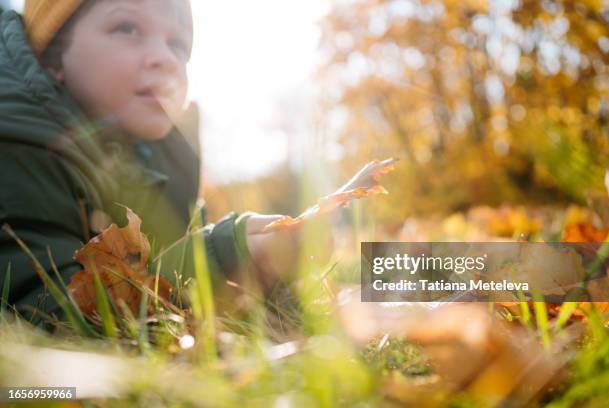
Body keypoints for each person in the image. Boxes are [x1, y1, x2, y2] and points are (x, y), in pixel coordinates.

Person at [0, 0, 386, 323]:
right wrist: (222, 256)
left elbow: (172, 255)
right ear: (52, 55)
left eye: (178, 45)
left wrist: (256, 258)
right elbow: (49, 312)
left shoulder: (156, 158)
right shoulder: (18, 144)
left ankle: (437, 277)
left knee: (402, 274)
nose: (165, 58)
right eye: (127, 28)